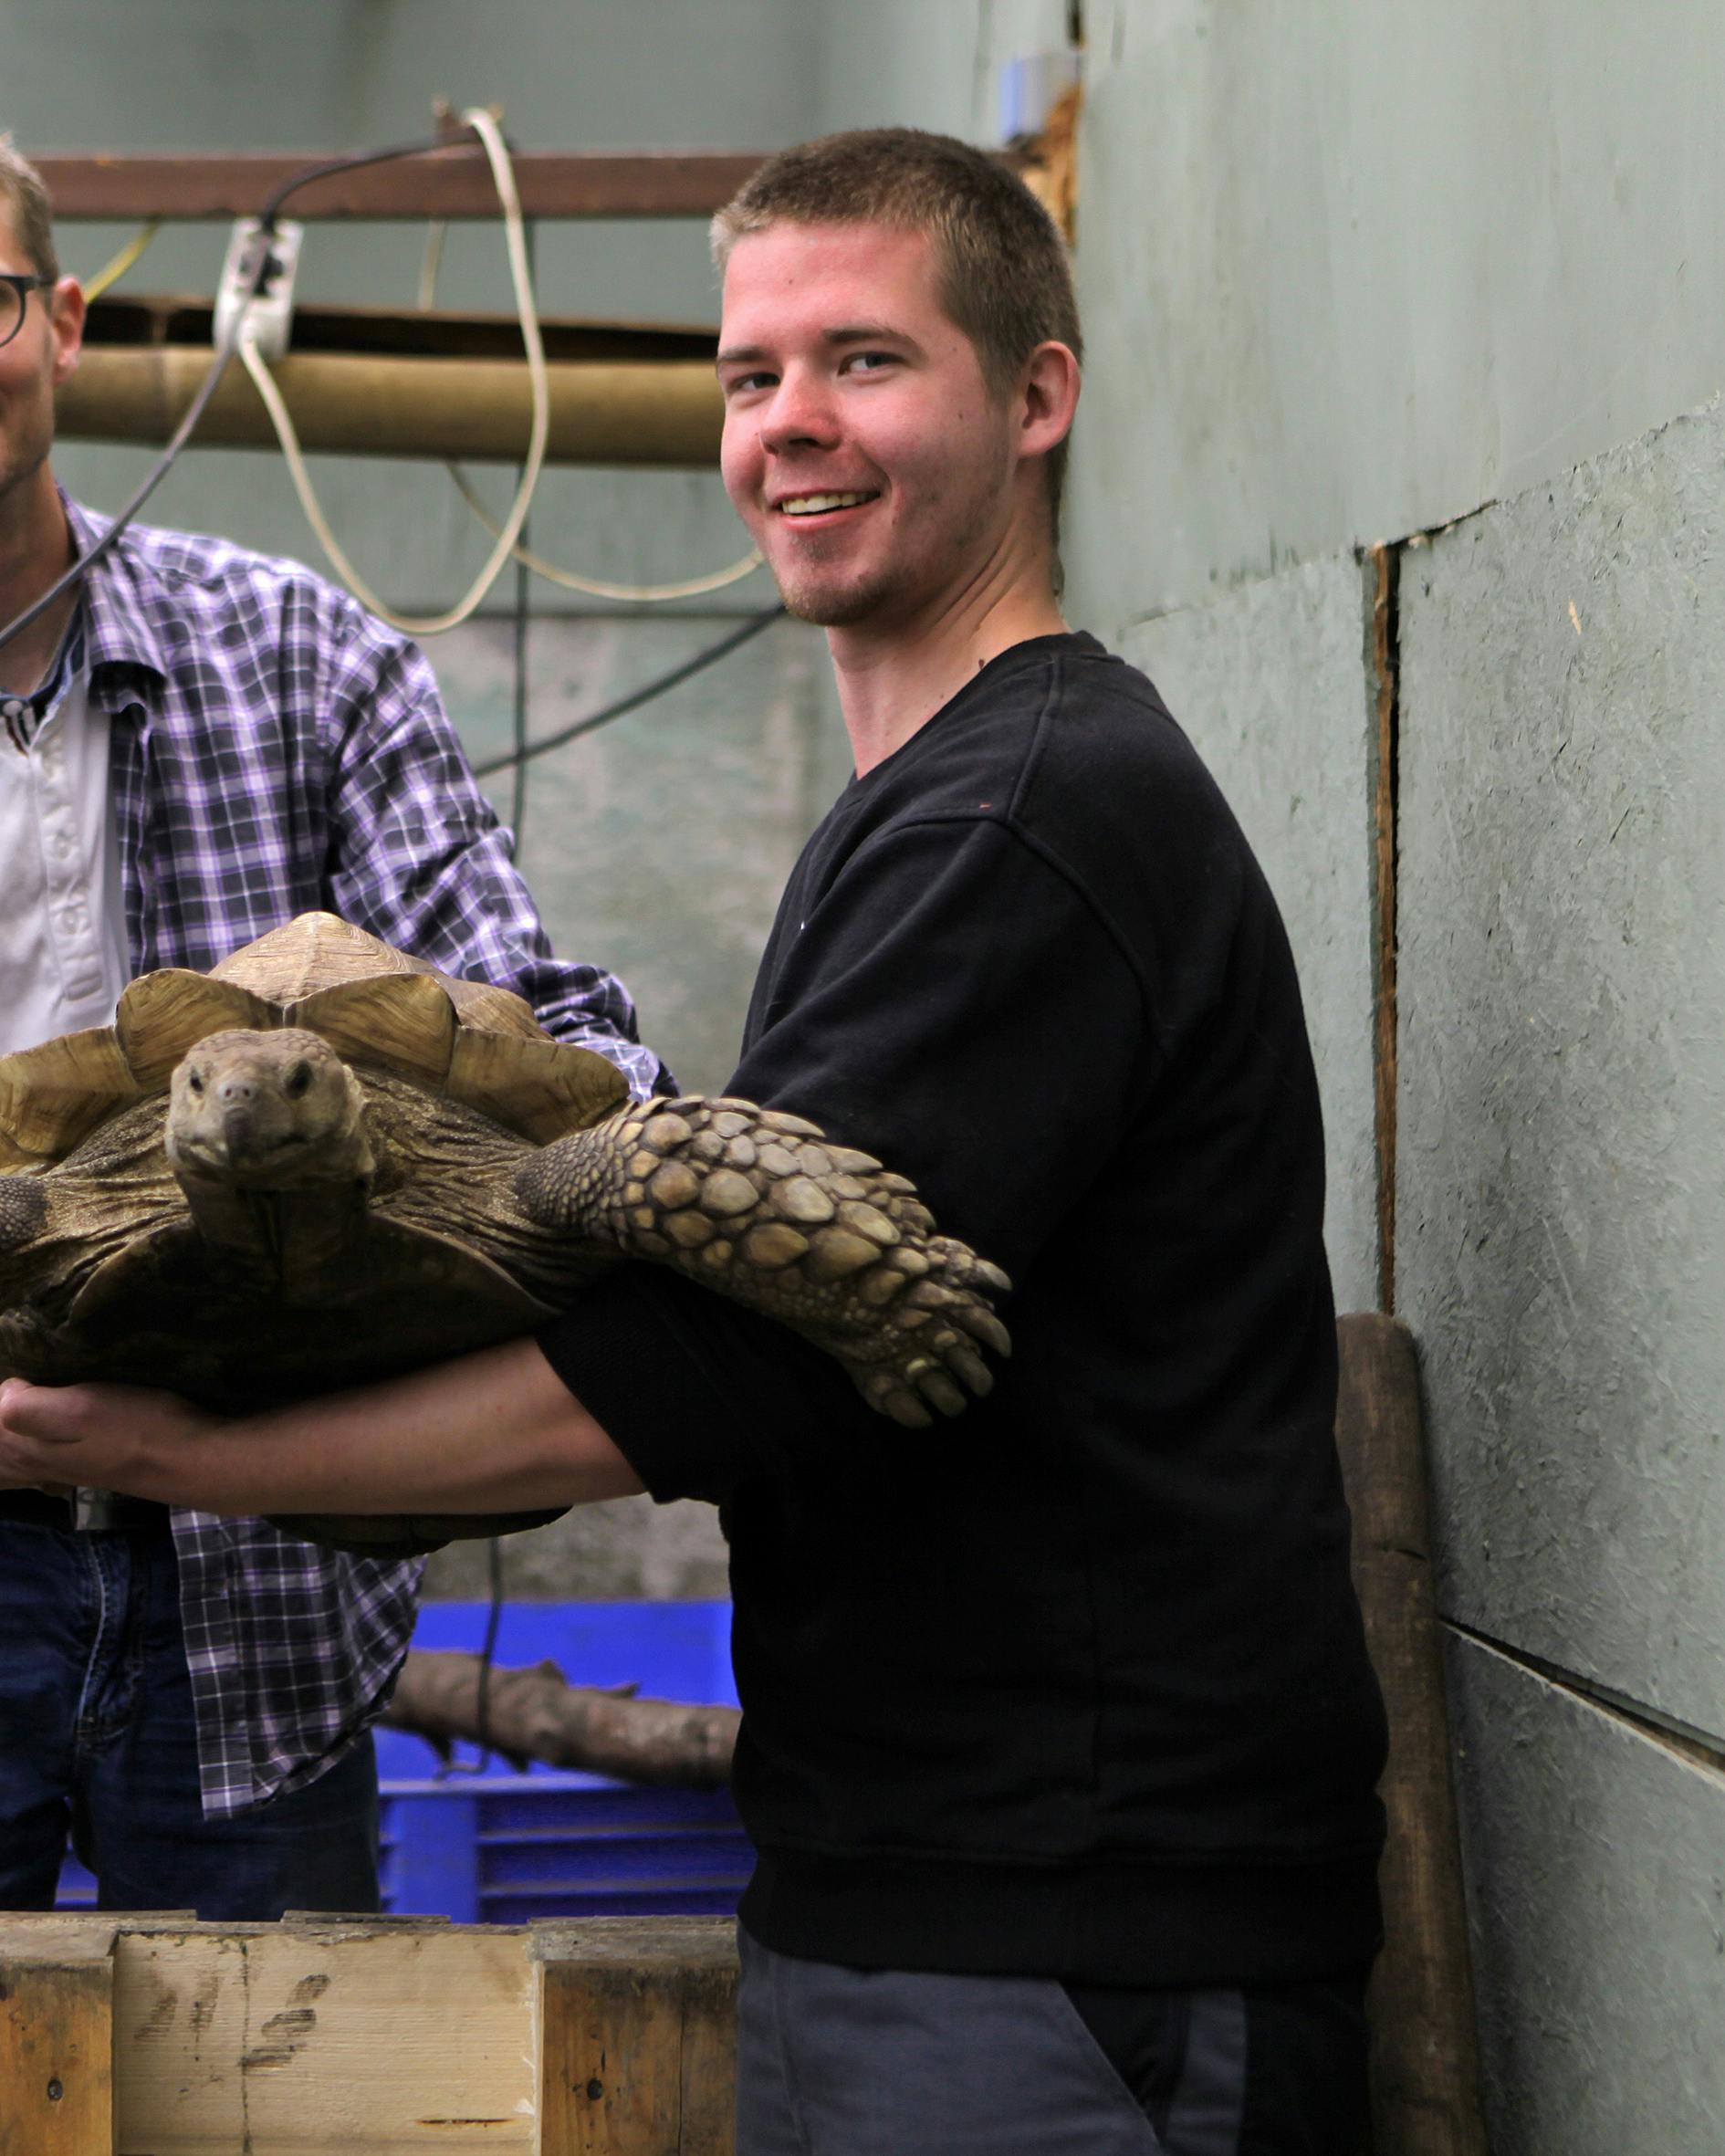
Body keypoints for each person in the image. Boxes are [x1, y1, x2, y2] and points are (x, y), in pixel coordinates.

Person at [0, 130, 1389, 2151]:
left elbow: (710, 1336)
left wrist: (172, 1453)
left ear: (1039, 394)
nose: (790, 426)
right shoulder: (950, 799)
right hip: (956, 1883)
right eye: (749, 379)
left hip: (1052, 1920)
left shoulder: (1015, 814)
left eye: (863, 362)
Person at [0, 139, 662, 1923]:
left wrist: (641, 1142)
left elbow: (541, 1012)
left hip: (262, 1563)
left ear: (60, 325)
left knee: (269, 2083)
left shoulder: (307, 657)